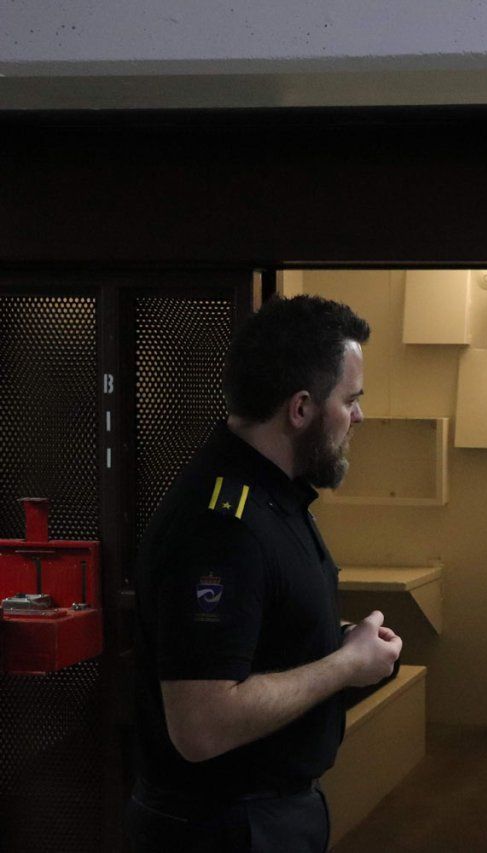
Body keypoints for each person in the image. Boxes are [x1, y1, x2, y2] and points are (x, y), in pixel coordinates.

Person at [126, 295, 403, 852]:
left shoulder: (273, 499)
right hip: (226, 828)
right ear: (300, 408)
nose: (358, 417)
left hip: (266, 816)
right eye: (350, 400)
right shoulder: (221, 524)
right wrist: (346, 664)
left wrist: (347, 649)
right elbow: (202, 725)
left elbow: (262, 641)